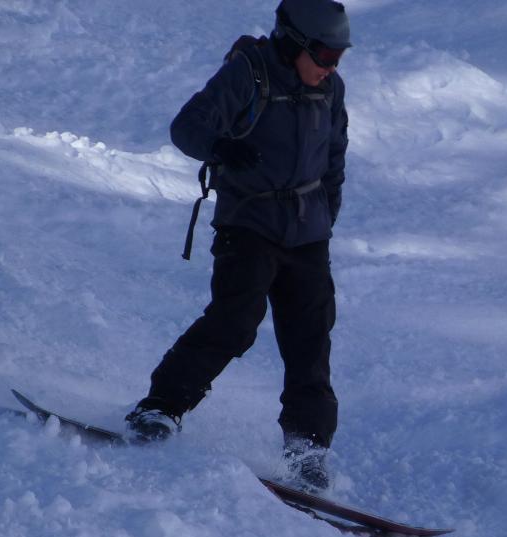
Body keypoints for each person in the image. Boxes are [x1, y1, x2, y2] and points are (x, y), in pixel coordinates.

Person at [125, 0, 351, 491]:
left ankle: (307, 449)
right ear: (295, 44)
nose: (332, 66)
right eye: (325, 55)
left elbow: (334, 160)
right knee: (234, 323)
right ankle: (160, 408)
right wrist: (221, 147)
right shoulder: (248, 75)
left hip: (308, 233)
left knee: (310, 337)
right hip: (248, 223)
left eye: (338, 56)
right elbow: (186, 128)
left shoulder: (330, 90)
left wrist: (324, 216)